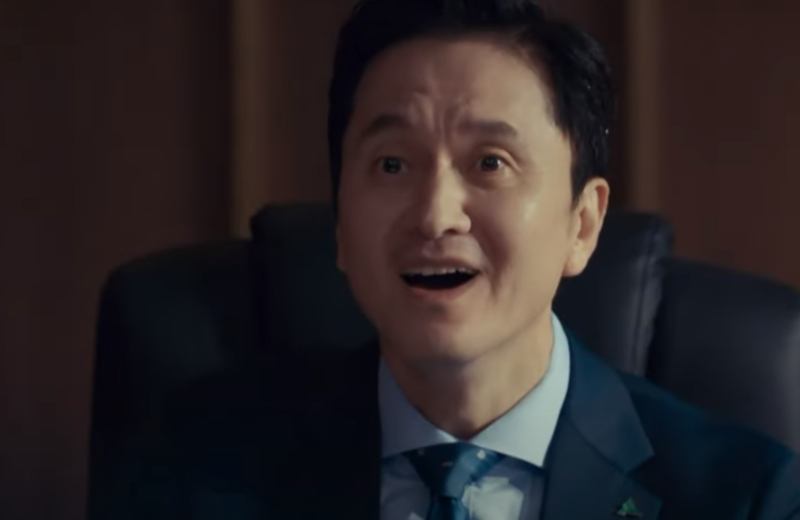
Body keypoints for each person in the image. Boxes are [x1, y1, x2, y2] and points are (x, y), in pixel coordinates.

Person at [115, 0, 800, 519]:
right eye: (392, 164)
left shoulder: (749, 499)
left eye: (490, 163)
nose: (436, 214)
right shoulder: (194, 470)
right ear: (342, 226)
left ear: (582, 224)